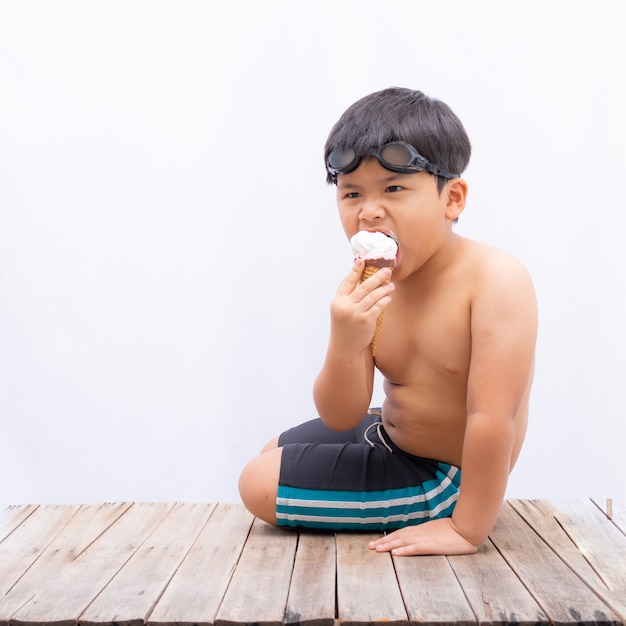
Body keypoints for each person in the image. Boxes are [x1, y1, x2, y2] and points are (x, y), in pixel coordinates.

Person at [238, 87, 538, 556]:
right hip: (390, 433)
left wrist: (467, 529)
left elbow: (492, 418)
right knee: (270, 450)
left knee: (256, 482)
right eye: (351, 192)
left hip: (448, 476)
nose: (369, 209)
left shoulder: (496, 281)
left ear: (451, 198)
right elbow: (342, 415)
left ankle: (448, 511)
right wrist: (345, 341)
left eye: (393, 189)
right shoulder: (373, 283)